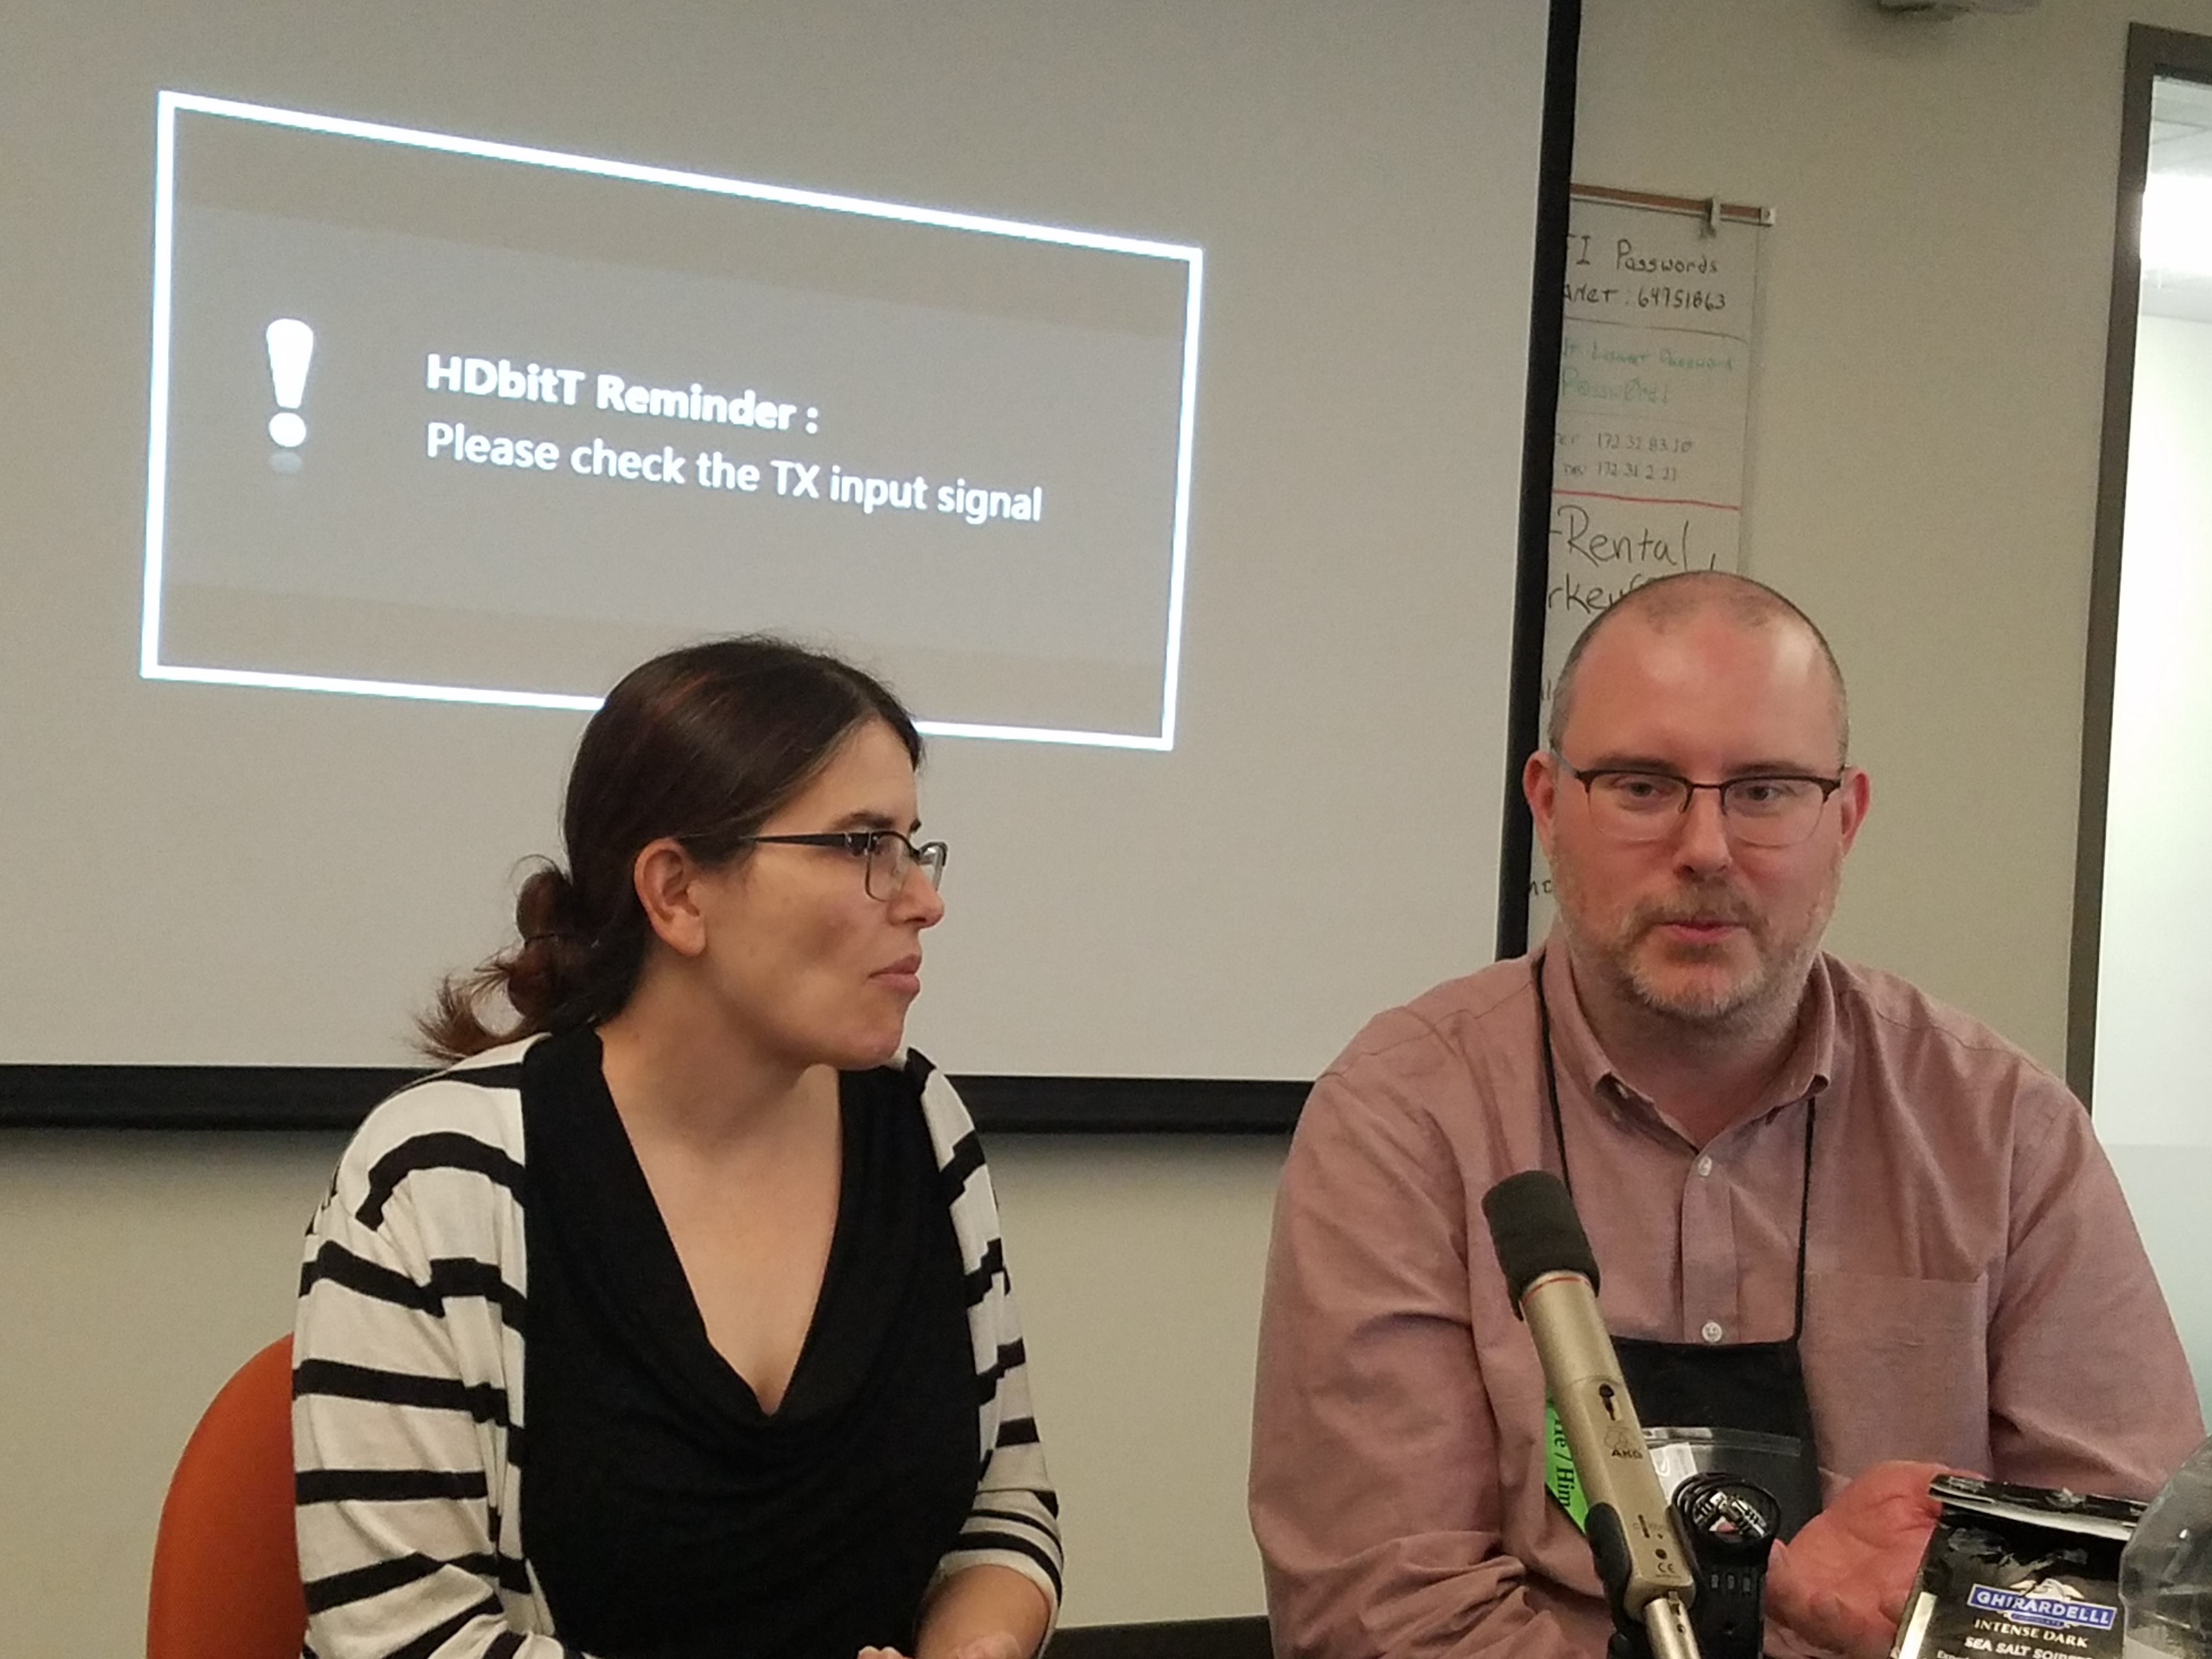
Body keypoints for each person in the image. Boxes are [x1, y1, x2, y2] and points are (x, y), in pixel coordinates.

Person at [1248, 571, 2202, 1659]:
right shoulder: (1406, 1119)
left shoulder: (2004, 1131)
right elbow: (1380, 1618)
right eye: (1643, 786)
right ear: (1549, 805)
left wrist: (1937, 1617)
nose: (1705, 847)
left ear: (1845, 819)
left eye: (1764, 791)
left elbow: (2146, 1590)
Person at [294, 637, 1060, 1659]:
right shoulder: (440, 1176)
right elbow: (402, 1640)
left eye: (914, 846)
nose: (924, 897)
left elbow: (1002, 1506)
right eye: (862, 845)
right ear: (678, 893)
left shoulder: (920, 1121)